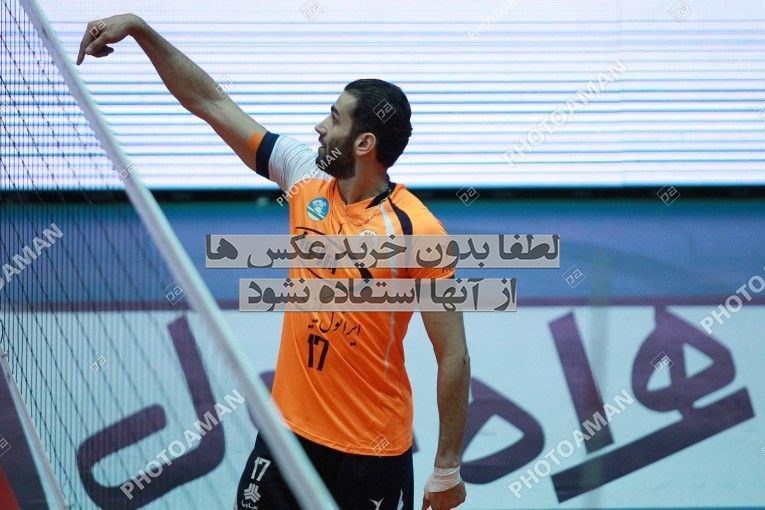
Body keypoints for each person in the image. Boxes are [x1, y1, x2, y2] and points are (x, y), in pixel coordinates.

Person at [77, 14, 470, 510]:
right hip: (288, 438)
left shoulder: (418, 232)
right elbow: (211, 102)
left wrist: (446, 467)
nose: (319, 127)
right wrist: (140, 30)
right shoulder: (305, 177)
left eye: (334, 119)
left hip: (371, 452)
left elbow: (453, 354)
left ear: (364, 144)